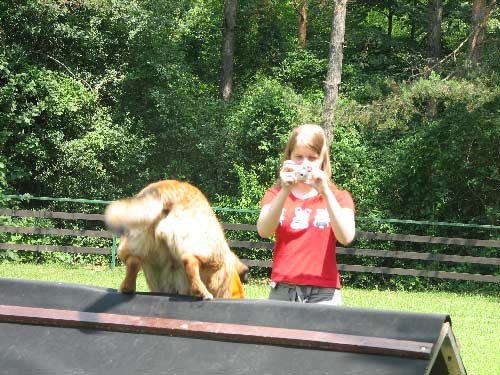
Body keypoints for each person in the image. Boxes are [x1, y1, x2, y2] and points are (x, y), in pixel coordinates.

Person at [257, 124, 355, 305]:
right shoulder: (275, 194)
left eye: (312, 158)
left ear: (322, 160)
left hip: (324, 294)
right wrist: (284, 191)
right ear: (289, 158)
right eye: (298, 157)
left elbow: (346, 236)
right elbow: (263, 230)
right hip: (283, 292)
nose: (305, 164)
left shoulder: (340, 197)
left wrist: (325, 192)